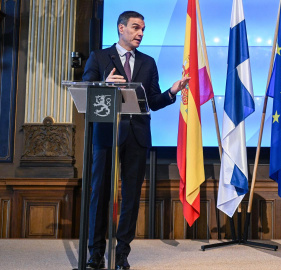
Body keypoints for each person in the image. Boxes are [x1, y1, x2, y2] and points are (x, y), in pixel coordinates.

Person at [82, 11, 189, 270]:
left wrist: (172, 92)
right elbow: (85, 91)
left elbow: (153, 101)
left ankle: (122, 253)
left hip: (137, 135)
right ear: (121, 28)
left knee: (130, 195)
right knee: (100, 193)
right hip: (107, 135)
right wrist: (103, 84)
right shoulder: (99, 57)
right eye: (135, 28)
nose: (140, 33)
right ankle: (96, 252)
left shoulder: (148, 62)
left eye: (143, 29)